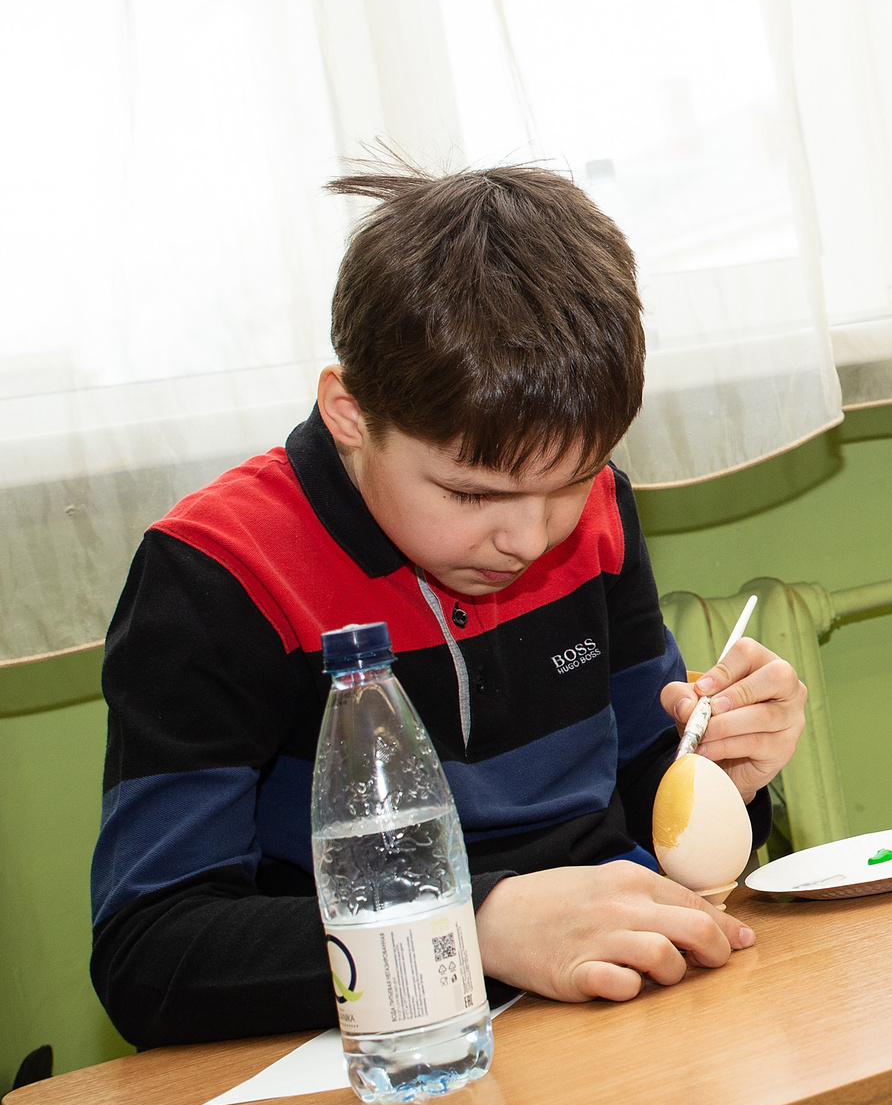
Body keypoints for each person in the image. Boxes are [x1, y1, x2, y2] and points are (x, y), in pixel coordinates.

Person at [90, 165, 806, 1048]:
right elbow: (152, 953)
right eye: (471, 495)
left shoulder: (596, 513)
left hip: (617, 1020)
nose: (530, 538)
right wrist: (475, 926)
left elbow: (643, 787)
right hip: (382, 1060)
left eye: (571, 481)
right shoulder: (220, 574)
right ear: (351, 413)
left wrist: (719, 777)